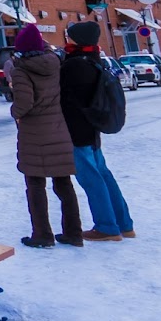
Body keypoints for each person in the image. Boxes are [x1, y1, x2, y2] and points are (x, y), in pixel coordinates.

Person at [7, 24, 84, 248]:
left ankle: (42, 234)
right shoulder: (55, 65)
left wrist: (14, 112)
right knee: (64, 184)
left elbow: (24, 103)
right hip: (58, 129)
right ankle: (73, 232)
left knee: (35, 185)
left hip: (34, 134)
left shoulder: (21, 71)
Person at [59, 22, 134, 243]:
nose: (67, 39)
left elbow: (65, 96)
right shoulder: (93, 60)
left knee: (91, 178)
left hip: (76, 130)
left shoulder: (74, 66)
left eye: (70, 36)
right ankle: (124, 223)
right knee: (103, 174)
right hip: (92, 130)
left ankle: (107, 226)